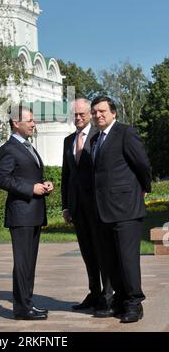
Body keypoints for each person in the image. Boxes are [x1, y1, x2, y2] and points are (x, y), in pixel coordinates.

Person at [90, 96, 152, 323]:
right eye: (94, 112)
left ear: (114, 113)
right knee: (110, 261)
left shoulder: (126, 133)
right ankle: (121, 299)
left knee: (127, 260)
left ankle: (135, 303)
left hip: (126, 209)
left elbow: (142, 164)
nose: (98, 115)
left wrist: (144, 188)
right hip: (103, 211)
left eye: (102, 111)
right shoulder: (96, 140)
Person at [0, 105, 54, 320]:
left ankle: (27, 304)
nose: (33, 124)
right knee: (22, 263)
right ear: (15, 123)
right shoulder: (8, 149)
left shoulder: (28, 146)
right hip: (21, 215)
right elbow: (3, 180)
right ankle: (21, 308)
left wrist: (43, 185)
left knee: (29, 262)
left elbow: (28, 175)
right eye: (29, 120)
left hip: (34, 214)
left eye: (33, 120)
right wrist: (31, 189)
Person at [61, 98, 113, 311]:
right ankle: (94, 293)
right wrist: (66, 205)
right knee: (88, 253)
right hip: (77, 208)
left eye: (82, 114)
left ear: (90, 115)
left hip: (98, 206)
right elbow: (67, 176)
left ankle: (108, 296)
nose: (78, 118)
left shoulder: (98, 137)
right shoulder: (68, 140)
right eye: (75, 115)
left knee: (103, 251)